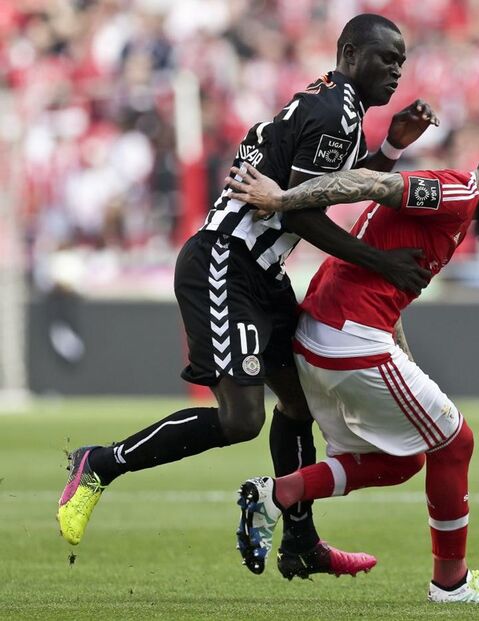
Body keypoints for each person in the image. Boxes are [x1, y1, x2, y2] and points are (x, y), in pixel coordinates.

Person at [57, 13, 439, 581]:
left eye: (403, 62)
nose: (397, 71)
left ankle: (301, 544)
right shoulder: (335, 111)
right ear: (350, 52)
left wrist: (386, 150)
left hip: (260, 273)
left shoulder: (339, 109)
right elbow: (308, 212)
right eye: (387, 58)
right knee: (241, 419)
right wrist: (382, 262)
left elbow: (316, 192)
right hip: (225, 261)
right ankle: (99, 464)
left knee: (299, 405)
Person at [224, 132, 479, 604]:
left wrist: (403, 360)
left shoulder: (456, 216)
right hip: (348, 339)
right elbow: (373, 182)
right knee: (456, 441)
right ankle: (452, 584)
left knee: (401, 461)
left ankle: (277, 492)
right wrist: (281, 199)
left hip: (324, 339)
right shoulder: (458, 192)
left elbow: (389, 293)